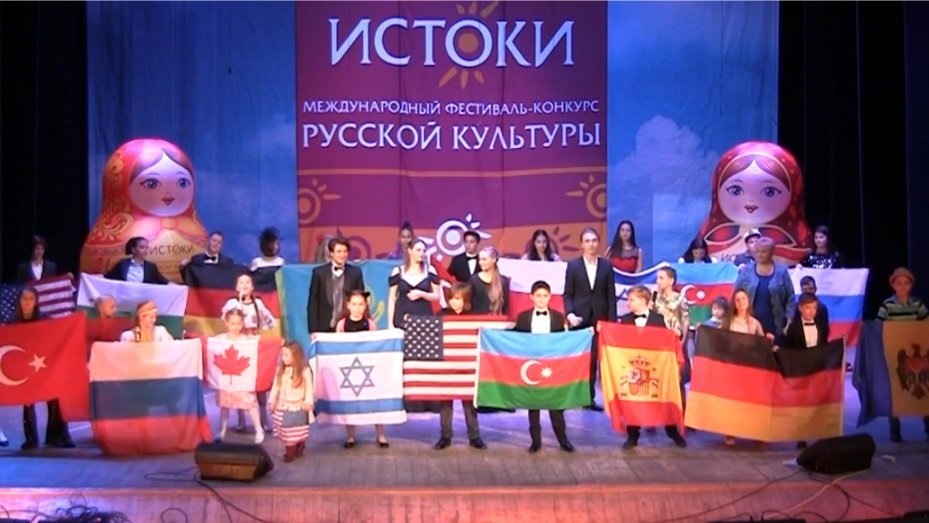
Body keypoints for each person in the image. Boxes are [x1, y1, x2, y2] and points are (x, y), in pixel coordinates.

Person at [618, 286, 687, 449]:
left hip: (655, 368)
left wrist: (675, 335)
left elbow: (667, 342)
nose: (628, 303)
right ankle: (632, 435)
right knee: (633, 400)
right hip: (633, 367)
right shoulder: (625, 320)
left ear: (643, 301)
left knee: (662, 397)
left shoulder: (658, 319)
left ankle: (672, 431)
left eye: (631, 300)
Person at [514, 280, 574, 453]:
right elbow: (515, 340)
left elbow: (564, 341)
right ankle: (535, 441)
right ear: (531, 297)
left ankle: (563, 440)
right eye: (538, 296)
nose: (541, 299)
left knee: (556, 406)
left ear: (550, 297)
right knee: (533, 406)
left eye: (545, 296)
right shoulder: (523, 317)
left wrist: (585, 334)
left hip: (551, 367)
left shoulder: (558, 317)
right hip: (531, 366)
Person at [11, 287, 75, 449]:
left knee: (54, 399)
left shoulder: (45, 319)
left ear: (36, 301)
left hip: (45, 365)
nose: (27, 302)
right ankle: (31, 439)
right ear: (19, 301)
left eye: (30, 299)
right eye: (24, 299)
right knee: (27, 402)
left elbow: (56, 336)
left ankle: (57, 437)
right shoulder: (13, 322)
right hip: (25, 369)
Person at [564, 228, 616, 411]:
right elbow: (567, 294)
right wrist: (570, 314)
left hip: (599, 322)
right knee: (577, 361)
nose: (591, 244)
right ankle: (571, 396)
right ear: (581, 244)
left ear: (598, 242)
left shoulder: (606, 267)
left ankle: (588, 398)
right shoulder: (573, 266)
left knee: (593, 361)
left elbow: (611, 296)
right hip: (578, 320)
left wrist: (611, 323)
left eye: (594, 240)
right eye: (587, 241)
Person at [876, 267, 929, 442]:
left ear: (911, 285)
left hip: (916, 356)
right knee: (895, 390)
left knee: (923, 387)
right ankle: (895, 428)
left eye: (906, 283)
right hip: (894, 354)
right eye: (898, 283)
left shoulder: (917, 305)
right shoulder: (887, 305)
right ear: (893, 285)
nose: (902, 286)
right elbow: (878, 327)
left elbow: (926, 325)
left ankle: (927, 424)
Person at [336, 289, 390, 449]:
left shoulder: (370, 324)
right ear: (348, 305)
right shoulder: (342, 324)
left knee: (375, 401)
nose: (357, 307)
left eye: (360, 304)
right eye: (354, 304)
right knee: (349, 401)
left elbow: (376, 345)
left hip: (368, 368)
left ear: (365, 305)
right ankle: (351, 436)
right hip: (349, 367)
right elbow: (336, 346)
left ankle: (380, 435)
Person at [434, 283, 485, 450]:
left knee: (469, 403)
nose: (454, 302)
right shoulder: (441, 314)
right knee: (445, 402)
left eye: (457, 299)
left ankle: (474, 436)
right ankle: (445, 436)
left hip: (467, 365)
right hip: (446, 365)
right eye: (451, 299)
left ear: (466, 299)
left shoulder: (474, 316)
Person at [721, 288, 772, 446]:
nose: (741, 302)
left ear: (748, 301)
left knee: (752, 400)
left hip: (751, 367)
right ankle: (731, 432)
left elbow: (762, 343)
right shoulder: (728, 322)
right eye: (737, 299)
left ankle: (755, 431)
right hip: (733, 366)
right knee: (733, 401)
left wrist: (769, 339)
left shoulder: (755, 323)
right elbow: (720, 342)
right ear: (734, 303)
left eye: (743, 299)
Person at [214, 309, 265, 445]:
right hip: (226, 379)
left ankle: (259, 429)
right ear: (226, 323)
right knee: (225, 405)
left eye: (238, 323)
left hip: (243, 379)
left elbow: (260, 347)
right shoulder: (220, 340)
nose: (236, 327)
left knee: (250, 404)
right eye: (233, 323)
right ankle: (222, 430)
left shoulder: (247, 340)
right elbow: (210, 347)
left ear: (243, 323)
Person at [733, 237, 796, 345]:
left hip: (776, 325)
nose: (759, 254)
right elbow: (736, 294)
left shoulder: (782, 272)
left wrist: (789, 321)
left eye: (763, 252)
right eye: (757, 251)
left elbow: (790, 297)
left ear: (771, 252)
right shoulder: (746, 271)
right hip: (750, 326)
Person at [307, 237, 365, 334]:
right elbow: (313, 303)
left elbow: (361, 299)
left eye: (345, 251)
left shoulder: (355, 273)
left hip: (348, 326)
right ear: (331, 253)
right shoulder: (319, 273)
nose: (342, 255)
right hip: (324, 327)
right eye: (339, 251)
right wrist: (313, 330)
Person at [269, 341, 314, 462]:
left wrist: (308, 402)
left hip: (298, 406)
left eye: (286, 355)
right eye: (282, 355)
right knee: (286, 430)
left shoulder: (304, 371)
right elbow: (276, 387)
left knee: (297, 430)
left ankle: (295, 449)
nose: (283, 358)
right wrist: (272, 401)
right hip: (283, 406)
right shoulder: (281, 370)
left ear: (296, 356)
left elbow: (309, 388)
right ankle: (291, 449)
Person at [653, 267, 691, 413]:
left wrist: (683, 340)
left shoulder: (680, 299)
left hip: (676, 341)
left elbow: (685, 321)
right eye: (657, 278)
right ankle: (660, 411)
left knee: (677, 376)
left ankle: (681, 411)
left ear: (671, 281)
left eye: (661, 278)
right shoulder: (656, 299)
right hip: (659, 341)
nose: (658, 281)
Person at [388, 238, 441, 329]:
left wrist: (422, 294)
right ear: (410, 251)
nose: (422, 253)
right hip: (401, 317)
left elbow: (437, 296)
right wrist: (390, 324)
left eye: (424, 251)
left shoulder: (430, 270)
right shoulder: (397, 271)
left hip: (424, 317)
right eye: (418, 250)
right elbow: (392, 299)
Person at [105, 237, 170, 284]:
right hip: (125, 297)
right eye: (142, 247)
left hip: (144, 298)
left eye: (147, 247)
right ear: (133, 249)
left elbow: (164, 282)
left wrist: (175, 287)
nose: (145, 250)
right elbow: (108, 278)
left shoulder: (151, 267)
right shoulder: (123, 264)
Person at [470, 246, 510, 316]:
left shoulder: (503, 281)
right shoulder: (473, 280)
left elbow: (505, 307)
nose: (481, 263)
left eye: (484, 259)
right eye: (479, 260)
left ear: (494, 260)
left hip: (496, 320)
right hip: (477, 320)